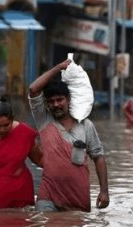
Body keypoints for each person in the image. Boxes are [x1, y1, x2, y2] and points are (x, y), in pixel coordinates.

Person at [28, 59, 109, 212]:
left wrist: (104, 191)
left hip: (78, 197)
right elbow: (33, 89)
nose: (56, 104)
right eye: (51, 101)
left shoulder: (86, 125)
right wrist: (58, 67)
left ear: (68, 99)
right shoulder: (44, 120)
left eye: (60, 100)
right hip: (48, 196)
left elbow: (98, 157)